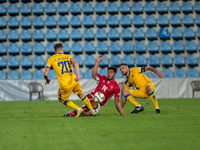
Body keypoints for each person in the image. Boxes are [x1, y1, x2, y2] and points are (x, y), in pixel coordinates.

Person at [44, 42, 96, 117]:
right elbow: (76, 63)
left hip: (65, 84)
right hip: (74, 80)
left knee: (62, 99)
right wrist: (78, 75)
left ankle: (78, 109)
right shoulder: (68, 57)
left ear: (55, 51)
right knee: (81, 94)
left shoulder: (51, 59)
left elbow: (45, 74)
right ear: (62, 49)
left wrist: (47, 79)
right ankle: (92, 110)